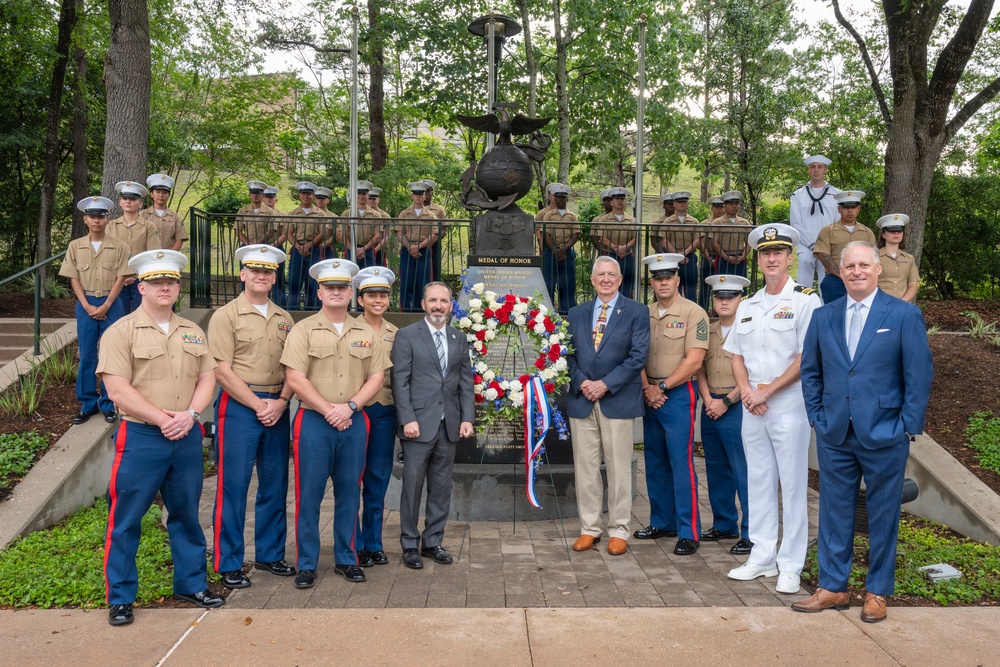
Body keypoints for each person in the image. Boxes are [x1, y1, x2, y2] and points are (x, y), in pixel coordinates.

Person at [796, 241, 932, 623]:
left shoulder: (903, 314)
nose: (856, 271)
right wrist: (817, 417)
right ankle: (833, 587)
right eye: (849, 266)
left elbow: (918, 374)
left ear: (876, 270)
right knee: (833, 512)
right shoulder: (825, 316)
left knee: (883, 514)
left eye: (863, 265)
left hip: (885, 432)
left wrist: (908, 425)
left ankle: (876, 593)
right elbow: (811, 371)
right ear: (840, 271)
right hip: (834, 431)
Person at [97, 249, 224, 626]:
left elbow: (208, 378)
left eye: (170, 281)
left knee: (186, 513)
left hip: (185, 436)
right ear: (141, 286)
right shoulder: (121, 331)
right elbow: (116, 388)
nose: (164, 287)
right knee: (126, 519)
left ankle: (191, 584)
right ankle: (120, 597)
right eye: (156, 281)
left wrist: (190, 415)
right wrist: (161, 419)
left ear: (178, 286)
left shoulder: (192, 330)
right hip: (141, 437)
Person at [280, 258, 390, 587]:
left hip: (354, 422)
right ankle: (307, 563)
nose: (337, 292)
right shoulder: (303, 330)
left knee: (349, 493)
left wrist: (352, 406)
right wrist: (329, 409)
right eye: (331, 287)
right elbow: (294, 378)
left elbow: (377, 376)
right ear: (319, 292)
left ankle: (347, 558)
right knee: (308, 495)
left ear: (351, 293)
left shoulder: (365, 332)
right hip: (314, 422)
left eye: (343, 287)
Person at [723, 223, 820, 595]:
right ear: (758, 259)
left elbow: (805, 357)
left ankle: (791, 564)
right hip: (753, 407)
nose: (772, 258)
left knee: (793, 485)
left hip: (788, 406)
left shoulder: (805, 300)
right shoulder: (748, 305)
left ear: (790, 257)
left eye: (779, 252)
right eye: (766, 253)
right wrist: (747, 391)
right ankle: (762, 555)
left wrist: (767, 391)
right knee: (759, 480)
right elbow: (736, 355)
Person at [207, 244, 295, 590]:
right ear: (242, 274)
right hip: (241, 406)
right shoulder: (226, 316)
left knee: (275, 484)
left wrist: (282, 401)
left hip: (278, 404)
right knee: (234, 487)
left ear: (274, 278)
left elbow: (294, 367)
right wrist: (259, 405)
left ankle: (270, 553)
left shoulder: (285, 318)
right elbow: (220, 369)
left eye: (268, 271)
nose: (261, 276)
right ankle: (228, 561)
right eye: (255, 270)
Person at [566, 257, 650, 556]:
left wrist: (605, 384)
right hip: (582, 400)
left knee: (618, 470)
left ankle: (618, 529)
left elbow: (637, 356)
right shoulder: (576, 313)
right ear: (591, 279)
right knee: (586, 470)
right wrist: (582, 383)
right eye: (600, 274)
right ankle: (590, 528)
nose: (605, 279)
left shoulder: (637, 312)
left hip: (617, 400)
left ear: (620, 278)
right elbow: (568, 354)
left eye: (610, 275)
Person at [391, 282, 475, 569]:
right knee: (412, 487)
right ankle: (409, 545)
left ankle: (433, 541)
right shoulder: (406, 336)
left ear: (451, 305)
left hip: (449, 425)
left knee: (441, 487)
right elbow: (399, 382)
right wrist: (407, 419)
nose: (438, 305)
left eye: (444, 301)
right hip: (417, 425)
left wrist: (467, 418)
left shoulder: (458, 338)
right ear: (424, 304)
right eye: (433, 301)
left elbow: (465, 382)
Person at [634, 253, 709, 556]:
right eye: (657, 277)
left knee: (681, 463)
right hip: (648, 391)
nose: (663, 282)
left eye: (668, 277)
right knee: (653, 460)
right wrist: (646, 388)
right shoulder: (643, 313)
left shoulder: (694, 312)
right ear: (651, 281)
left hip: (677, 393)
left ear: (678, 279)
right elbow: (635, 354)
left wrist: (661, 387)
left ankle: (689, 531)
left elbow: (694, 360)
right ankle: (661, 521)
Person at [60, 196, 131, 425]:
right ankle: (88, 403)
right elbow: (73, 278)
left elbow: (121, 277)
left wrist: (107, 304)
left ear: (107, 219)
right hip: (86, 302)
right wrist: (87, 305)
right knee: (88, 355)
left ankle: (110, 403)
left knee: (113, 356)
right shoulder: (75, 246)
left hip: (112, 302)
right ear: (85, 219)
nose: (97, 220)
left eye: (101, 216)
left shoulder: (120, 246)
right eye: (92, 216)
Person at [697, 274, 753, 555]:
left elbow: (753, 375)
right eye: (719, 297)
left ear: (740, 299)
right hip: (710, 406)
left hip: (738, 407)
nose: (724, 301)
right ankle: (724, 524)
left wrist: (726, 402)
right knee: (716, 469)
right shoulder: (706, 330)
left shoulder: (750, 329)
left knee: (743, 471)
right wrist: (708, 400)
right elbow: (700, 369)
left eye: (730, 296)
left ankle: (751, 532)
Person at [353, 266, 399, 567]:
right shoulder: (348, 327)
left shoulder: (396, 333)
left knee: (378, 478)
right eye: (372, 295)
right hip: (355, 410)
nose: (378, 300)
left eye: (383, 295)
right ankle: (353, 543)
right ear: (360, 299)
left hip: (384, 410)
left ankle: (373, 541)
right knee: (350, 478)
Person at [107, 180, 161, 314]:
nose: (128, 201)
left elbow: (152, 255)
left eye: (132, 199)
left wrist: (136, 275)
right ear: (120, 202)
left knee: (142, 316)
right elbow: (107, 255)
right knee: (119, 318)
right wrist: (121, 276)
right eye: (125, 198)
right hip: (116, 281)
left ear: (140, 203)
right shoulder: (111, 226)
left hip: (141, 280)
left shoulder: (148, 226)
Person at [813, 190, 877, 303]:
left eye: (853, 207)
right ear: (839, 209)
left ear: (858, 209)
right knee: (829, 289)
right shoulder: (828, 231)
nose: (850, 210)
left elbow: (873, 257)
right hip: (836, 278)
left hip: (861, 276)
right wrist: (843, 274)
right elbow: (822, 255)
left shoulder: (867, 233)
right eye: (846, 207)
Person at [789, 155, 841, 289]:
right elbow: (796, 223)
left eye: (820, 167)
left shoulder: (837, 194)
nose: (816, 170)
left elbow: (838, 222)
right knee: (803, 284)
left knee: (827, 284)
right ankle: (803, 309)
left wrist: (825, 244)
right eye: (812, 167)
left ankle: (826, 309)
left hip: (828, 246)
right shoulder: (798, 195)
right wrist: (812, 245)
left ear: (826, 170)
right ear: (808, 170)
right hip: (806, 246)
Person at [285, 181, 329, 310]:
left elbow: (323, 232)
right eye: (303, 193)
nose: (306, 196)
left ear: (313, 196)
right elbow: (288, 233)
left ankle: (313, 311)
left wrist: (309, 246)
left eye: (309, 194)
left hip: (313, 250)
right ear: (299, 196)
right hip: (297, 250)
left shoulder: (320, 214)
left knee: (313, 283)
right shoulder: (293, 213)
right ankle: (292, 310)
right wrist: (298, 246)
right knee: (294, 282)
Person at [396, 181, 439, 312]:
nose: (419, 196)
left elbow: (434, 235)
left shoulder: (431, 215)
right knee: (406, 282)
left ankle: (423, 311)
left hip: (424, 250)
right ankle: (406, 312)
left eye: (421, 194)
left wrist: (418, 246)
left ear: (425, 196)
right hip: (407, 250)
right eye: (416, 194)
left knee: (424, 282)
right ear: (412, 196)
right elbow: (399, 232)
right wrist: (410, 247)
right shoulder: (404, 213)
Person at [540, 183, 580, 313]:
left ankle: (567, 312)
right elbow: (546, 234)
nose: (561, 199)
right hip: (551, 251)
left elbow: (576, 235)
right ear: (554, 199)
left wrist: (563, 250)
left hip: (567, 252)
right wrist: (555, 250)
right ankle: (547, 312)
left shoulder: (572, 216)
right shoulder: (548, 215)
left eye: (563, 197)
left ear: (566, 199)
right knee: (549, 283)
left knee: (568, 283)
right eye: (558, 197)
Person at [591, 187, 638, 298]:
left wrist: (625, 248)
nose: (620, 201)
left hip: (627, 257)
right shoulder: (604, 219)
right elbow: (602, 238)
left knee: (627, 287)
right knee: (607, 286)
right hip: (610, 255)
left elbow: (636, 238)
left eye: (622, 198)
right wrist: (615, 248)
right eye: (617, 198)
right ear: (611, 202)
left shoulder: (632, 220)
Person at [664, 191, 706, 307]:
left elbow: (697, 240)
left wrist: (685, 253)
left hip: (689, 256)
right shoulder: (668, 221)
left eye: (684, 201)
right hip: (672, 257)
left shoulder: (694, 221)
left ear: (688, 204)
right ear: (674, 204)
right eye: (679, 201)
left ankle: (692, 311)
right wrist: (677, 255)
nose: (682, 204)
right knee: (671, 286)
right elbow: (664, 240)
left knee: (690, 288)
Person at [876, 214, 919, 302]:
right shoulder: (874, 257)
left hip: (904, 306)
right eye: (892, 231)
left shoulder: (909, 258)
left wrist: (901, 303)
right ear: (883, 234)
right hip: (880, 304)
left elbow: (913, 285)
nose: (896, 233)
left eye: (899, 231)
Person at [339, 180, 382, 268]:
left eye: (364, 193)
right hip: (350, 248)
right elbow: (342, 234)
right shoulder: (346, 214)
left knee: (368, 278)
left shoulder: (376, 215)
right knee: (350, 277)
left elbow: (377, 236)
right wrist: (353, 249)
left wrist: (363, 249)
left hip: (368, 249)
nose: (361, 196)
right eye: (358, 193)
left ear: (368, 195)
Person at [142, 174, 187, 251]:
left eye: (164, 192)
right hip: (148, 258)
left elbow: (180, 239)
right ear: (152, 194)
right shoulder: (143, 215)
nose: (161, 195)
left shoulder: (175, 217)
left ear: (169, 195)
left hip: (169, 258)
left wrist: (169, 256)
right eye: (158, 192)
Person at [710, 191, 751, 276]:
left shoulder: (744, 223)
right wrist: (726, 257)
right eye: (731, 204)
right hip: (724, 258)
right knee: (723, 285)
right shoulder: (718, 222)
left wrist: (743, 256)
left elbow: (749, 242)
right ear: (725, 206)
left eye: (736, 204)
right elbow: (714, 242)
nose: (734, 206)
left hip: (740, 258)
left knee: (741, 285)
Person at [262, 186, 288, 305]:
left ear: (276, 199)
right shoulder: (257, 213)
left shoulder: (282, 215)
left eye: (271, 197)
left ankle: (280, 307)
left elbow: (285, 234)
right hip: (259, 250)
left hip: (276, 248)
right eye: (267, 197)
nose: (269, 199)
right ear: (263, 198)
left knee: (278, 280)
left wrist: (272, 245)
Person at [235, 180, 277, 246]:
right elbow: (237, 230)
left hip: (263, 244)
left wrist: (258, 242)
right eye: (253, 193)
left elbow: (271, 231)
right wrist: (248, 243)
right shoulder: (243, 211)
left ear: (263, 196)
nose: (255, 196)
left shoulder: (270, 212)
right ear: (249, 195)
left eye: (258, 194)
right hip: (247, 244)